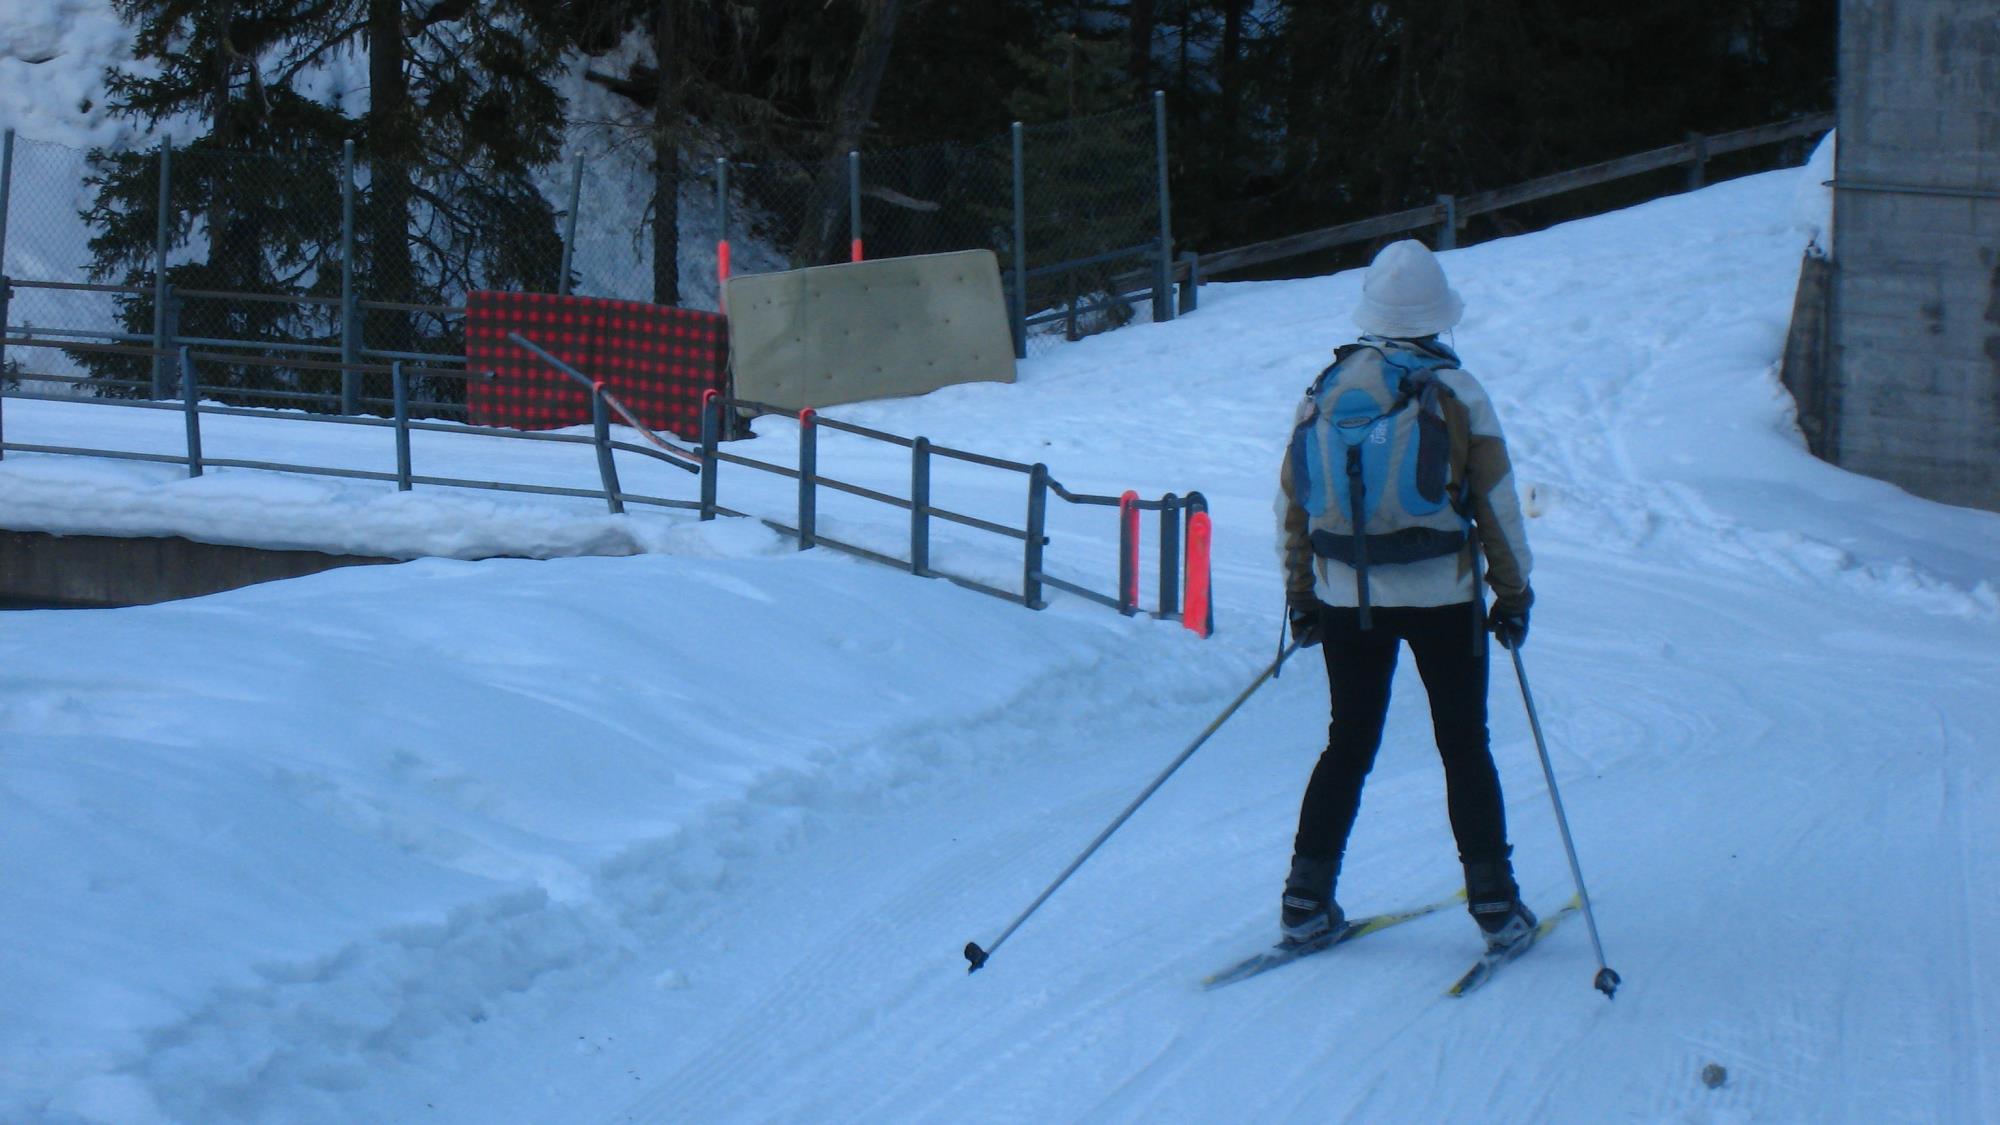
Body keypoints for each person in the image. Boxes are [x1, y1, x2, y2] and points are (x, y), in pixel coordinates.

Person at [1274, 239, 1537, 954]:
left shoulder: (1323, 389)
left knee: (1348, 742)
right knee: (1463, 744)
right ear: (1438, 316)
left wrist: (1302, 596)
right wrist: (1512, 595)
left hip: (1344, 594)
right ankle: (1495, 905)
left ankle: (1304, 901)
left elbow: (1294, 504)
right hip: (1442, 596)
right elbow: (1497, 503)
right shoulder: (1457, 390)